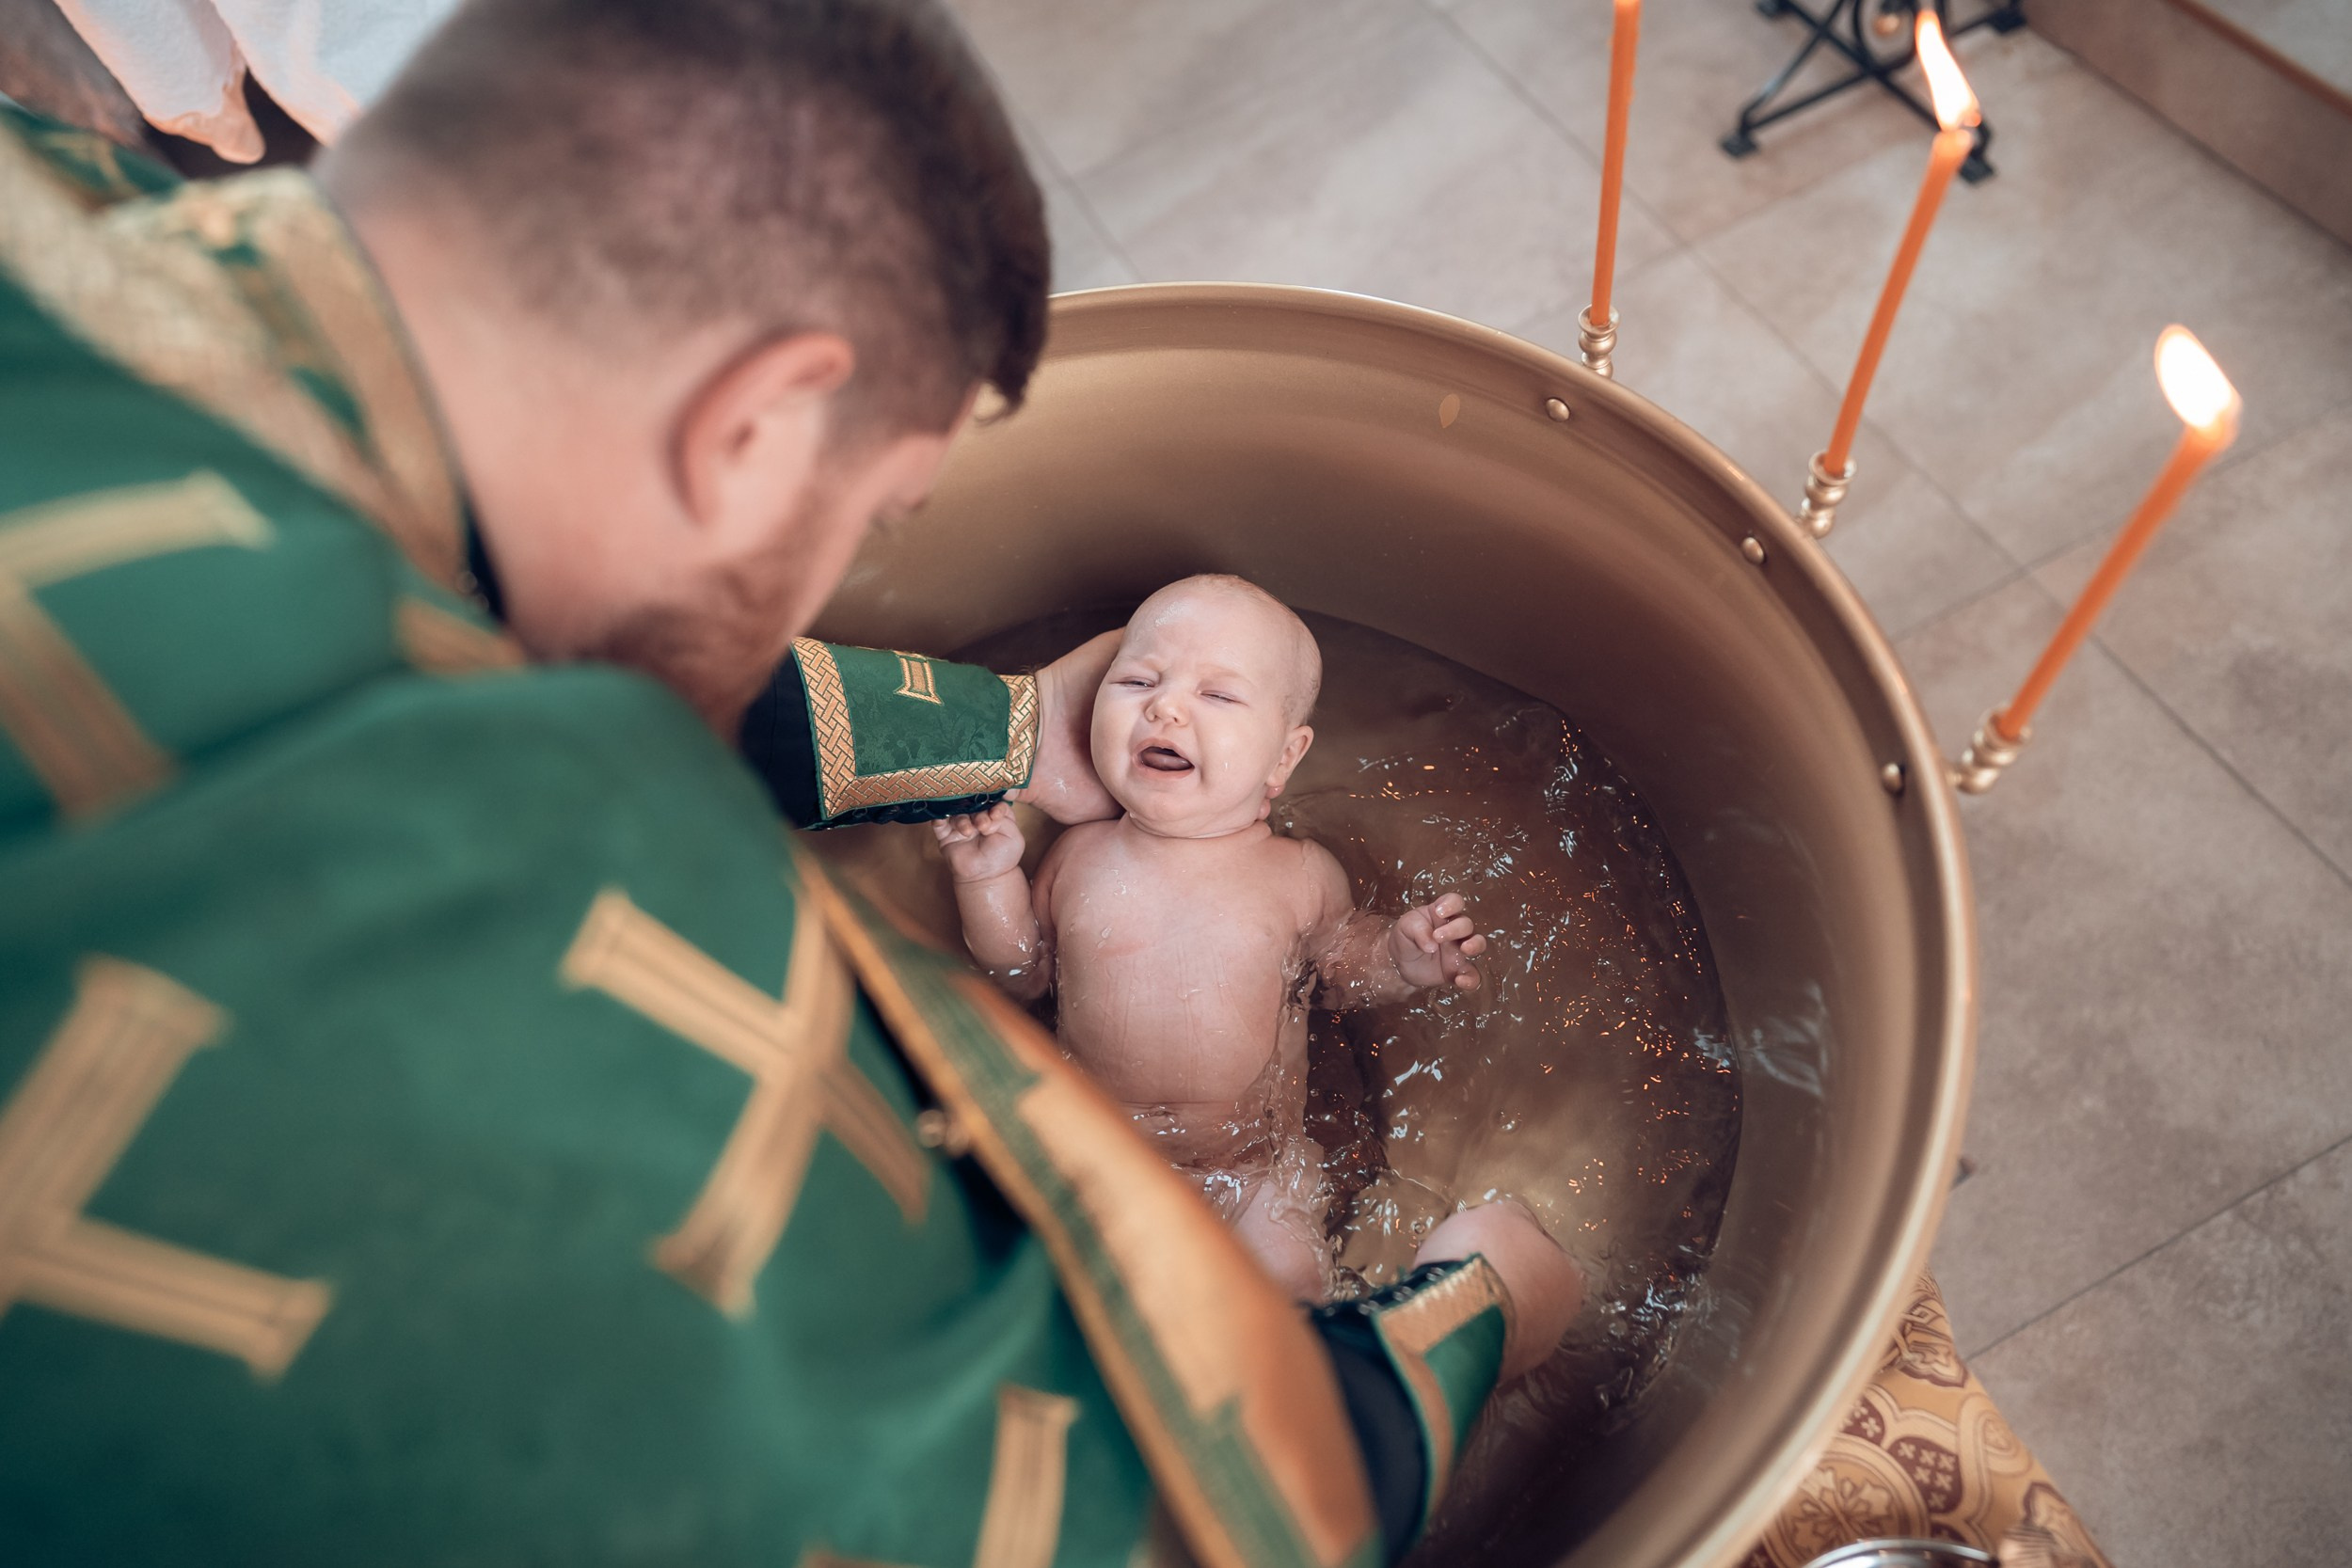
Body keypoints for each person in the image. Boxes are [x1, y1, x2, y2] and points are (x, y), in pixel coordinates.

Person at [0, 2, 1527, 1563]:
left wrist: (995, 726)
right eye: (873, 517)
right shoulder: (563, 893)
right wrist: (1481, 1304)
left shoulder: (53, 201)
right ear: (751, 422)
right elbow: (1112, 1522)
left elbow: (458, 602)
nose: (837, 572)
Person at [931, 578, 1576, 1337]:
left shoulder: (1299, 875)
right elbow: (1021, 970)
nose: (1165, 707)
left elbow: (1338, 970)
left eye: (1219, 696)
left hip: (1256, 1166)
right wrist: (988, 878)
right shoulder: (1078, 856)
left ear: (1284, 755)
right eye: (1137, 680)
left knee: (1291, 1290)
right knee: (1042, 1283)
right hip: (1097, 1151)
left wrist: (1402, 958)